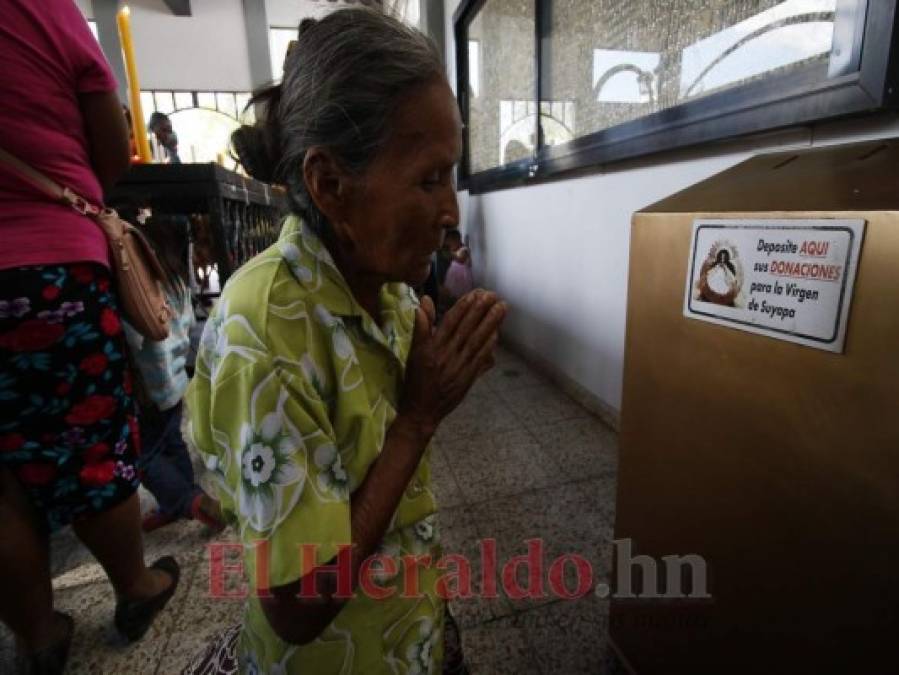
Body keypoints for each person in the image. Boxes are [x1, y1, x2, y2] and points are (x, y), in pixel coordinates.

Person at [184, 9, 506, 674]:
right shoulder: (265, 335)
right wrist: (417, 419)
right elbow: (300, 606)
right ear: (329, 184)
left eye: (452, 175)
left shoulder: (385, 288)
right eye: (427, 179)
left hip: (405, 623)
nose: (451, 212)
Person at [0, 2, 180, 672]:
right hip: (47, 265)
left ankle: (37, 633)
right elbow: (111, 146)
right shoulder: (40, 9)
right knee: (89, 441)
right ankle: (135, 586)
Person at [121, 214, 225, 533]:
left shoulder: (142, 288)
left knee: (143, 458)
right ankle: (176, 503)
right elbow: (189, 325)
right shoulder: (178, 282)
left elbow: (135, 338)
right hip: (177, 381)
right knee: (172, 442)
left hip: (150, 388)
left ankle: (188, 500)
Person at [442, 229, 474, 303]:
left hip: (462, 278)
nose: (450, 247)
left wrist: (452, 255)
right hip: (454, 276)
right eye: (448, 246)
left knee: (460, 294)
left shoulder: (464, 249)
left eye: (451, 245)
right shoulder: (455, 251)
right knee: (452, 293)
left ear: (457, 240)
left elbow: (461, 259)